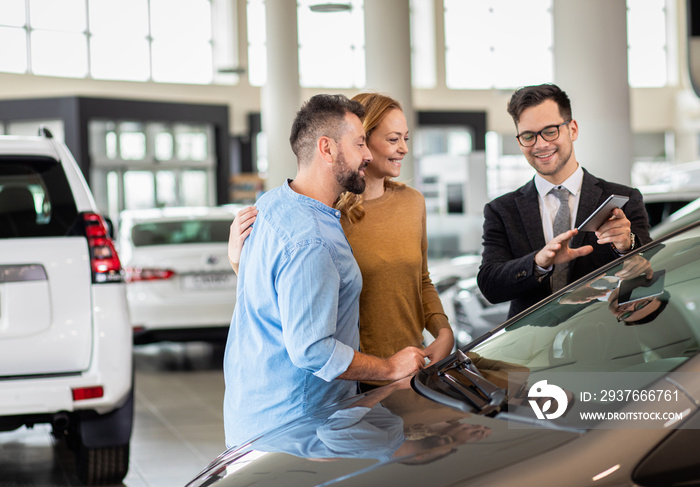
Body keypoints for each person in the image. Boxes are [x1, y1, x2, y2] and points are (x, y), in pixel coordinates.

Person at [223, 94, 426, 448]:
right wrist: (390, 368)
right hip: (297, 430)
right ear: (327, 148)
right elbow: (313, 350)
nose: (367, 154)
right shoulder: (313, 241)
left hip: (252, 417)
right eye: (360, 143)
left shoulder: (271, 203)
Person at [477, 83, 652, 319]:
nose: (540, 144)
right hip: (529, 348)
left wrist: (626, 246)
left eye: (550, 131)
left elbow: (648, 274)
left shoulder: (624, 199)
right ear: (520, 142)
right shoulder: (502, 210)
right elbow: (490, 285)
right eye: (528, 136)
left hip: (607, 340)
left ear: (573, 129)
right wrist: (539, 262)